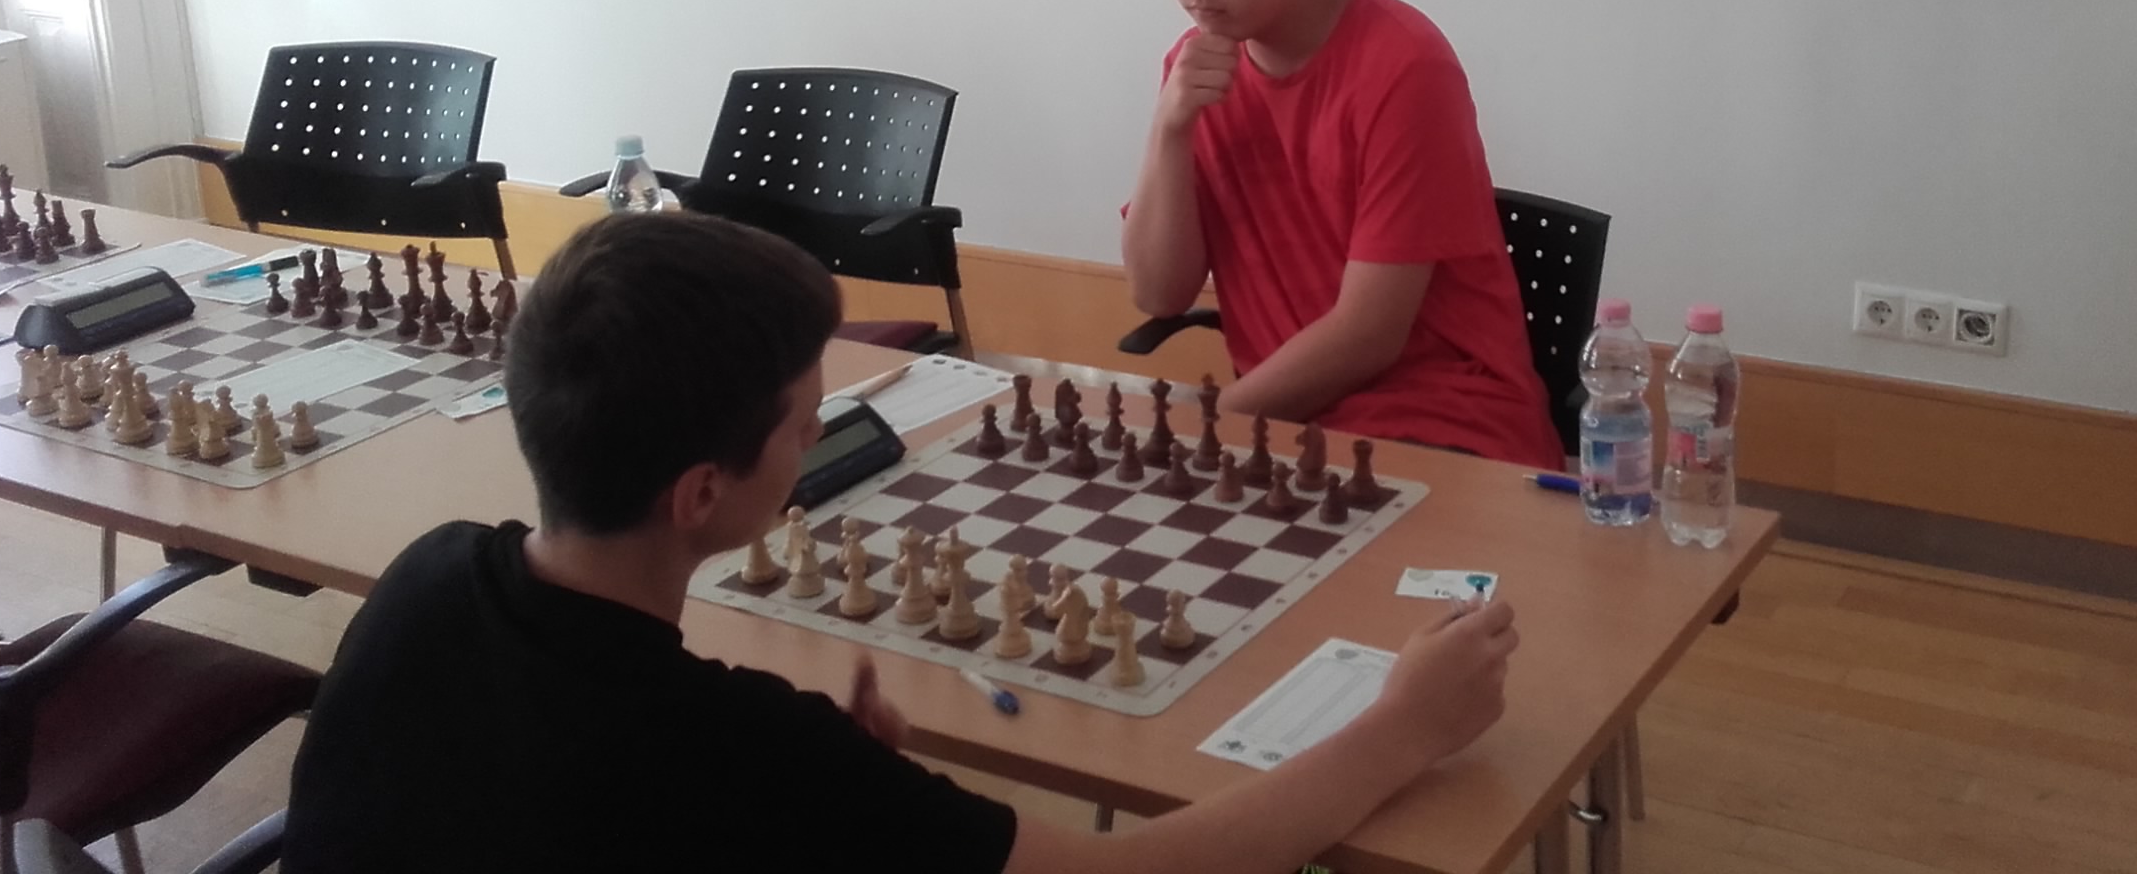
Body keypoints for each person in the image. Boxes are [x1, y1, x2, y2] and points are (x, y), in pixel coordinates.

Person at [284, 212, 1519, 874]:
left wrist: (846, 815)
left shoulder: (428, 577)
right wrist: (1403, 727)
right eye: (801, 422)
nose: (817, 434)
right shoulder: (749, 750)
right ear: (702, 492)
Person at [1122, 0, 1564, 469]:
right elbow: (1159, 295)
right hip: (1289, 425)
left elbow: (1370, 335)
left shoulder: (1404, 66)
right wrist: (1170, 129)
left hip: (1442, 424)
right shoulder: (1196, 68)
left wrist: (1207, 428)